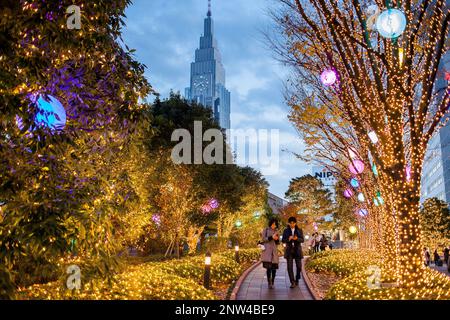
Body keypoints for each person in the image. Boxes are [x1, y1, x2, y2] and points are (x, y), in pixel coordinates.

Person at [282, 217, 304, 288]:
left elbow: (302, 240)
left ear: (295, 223)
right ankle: (292, 282)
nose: (292, 224)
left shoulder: (299, 230)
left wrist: (296, 238)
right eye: (290, 223)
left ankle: (297, 278)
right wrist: (288, 239)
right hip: (289, 250)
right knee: (289, 267)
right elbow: (283, 240)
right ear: (289, 223)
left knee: (299, 267)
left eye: (293, 223)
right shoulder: (286, 231)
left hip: (297, 250)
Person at [260, 218, 280, 289]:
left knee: (274, 269)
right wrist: (271, 237)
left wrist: (277, 239)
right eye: (273, 224)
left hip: (274, 251)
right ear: (270, 223)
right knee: (268, 268)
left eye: (275, 224)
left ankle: (273, 281)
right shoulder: (266, 230)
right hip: (267, 251)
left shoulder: (276, 231)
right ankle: (269, 282)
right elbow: (263, 239)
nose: (274, 225)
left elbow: (278, 242)